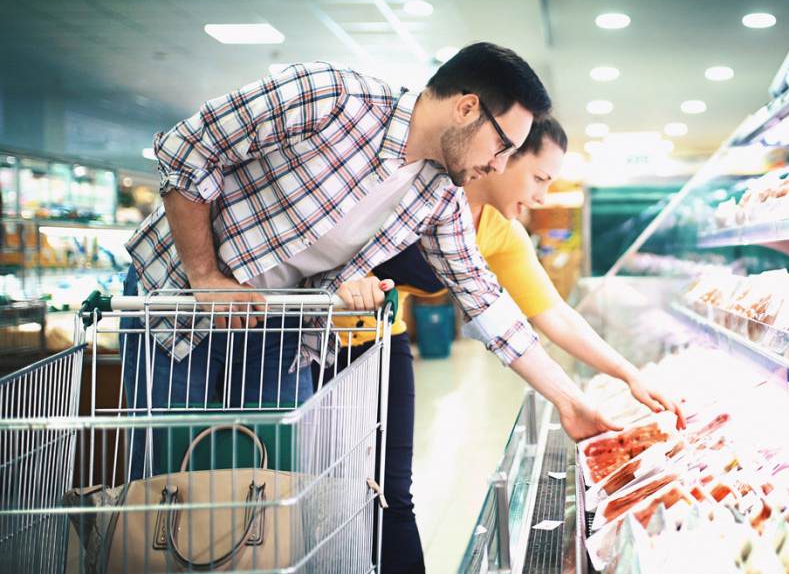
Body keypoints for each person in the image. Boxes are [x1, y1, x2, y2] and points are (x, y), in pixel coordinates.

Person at [121, 43, 621, 482]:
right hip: (176, 306)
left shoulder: (437, 194)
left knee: (266, 492)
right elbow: (189, 147)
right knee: (166, 484)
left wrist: (569, 402)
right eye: (502, 146)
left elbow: (487, 302)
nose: (499, 165)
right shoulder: (332, 96)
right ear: (468, 108)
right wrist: (206, 276)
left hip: (278, 326)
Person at [326, 117, 684, 574]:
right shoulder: (416, 191)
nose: (541, 196)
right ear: (503, 154)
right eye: (538, 178)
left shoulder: (498, 229)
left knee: (392, 490)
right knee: (328, 487)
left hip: (381, 337)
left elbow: (552, 313)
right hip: (309, 333)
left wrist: (629, 375)